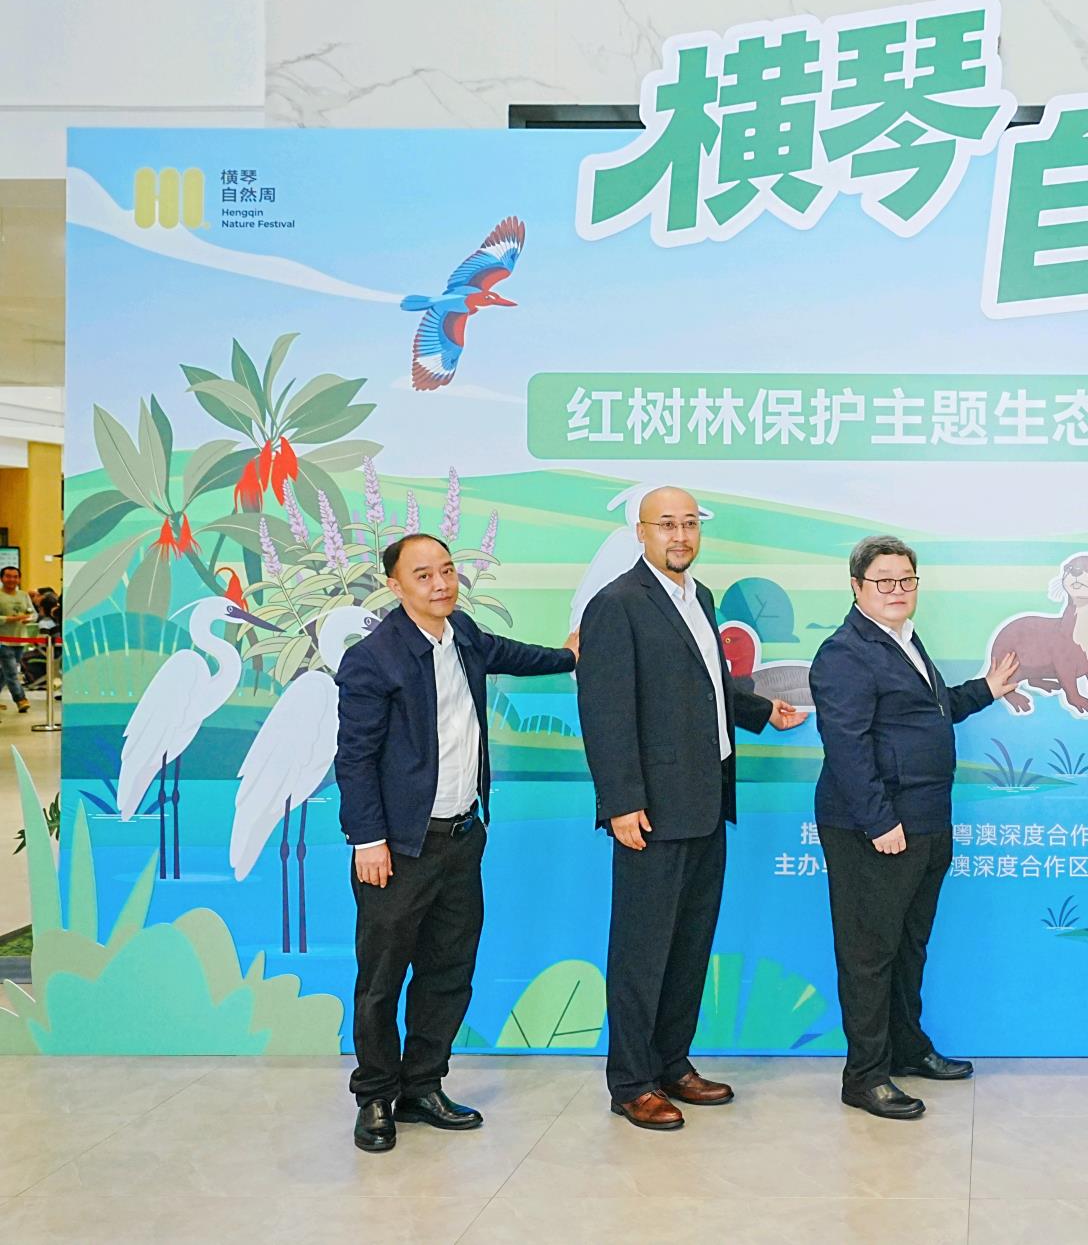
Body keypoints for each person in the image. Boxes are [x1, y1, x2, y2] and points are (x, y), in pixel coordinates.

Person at [334, 533, 579, 1153]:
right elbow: (354, 759)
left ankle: (422, 1085)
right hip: (397, 848)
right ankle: (375, 1096)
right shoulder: (373, 659)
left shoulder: (463, 633)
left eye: (447, 570)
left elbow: (512, 654)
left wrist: (568, 656)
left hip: (462, 837)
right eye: (424, 575)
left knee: (448, 970)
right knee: (382, 978)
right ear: (394, 585)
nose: (441, 584)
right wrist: (368, 840)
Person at [577, 486, 809, 1132]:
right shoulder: (616, 604)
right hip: (651, 811)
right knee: (641, 950)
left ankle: (672, 1062)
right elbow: (604, 710)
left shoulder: (697, 596)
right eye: (666, 524)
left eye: (688, 524)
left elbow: (703, 686)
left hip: (706, 802)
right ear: (640, 531)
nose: (680, 535)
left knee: (687, 945)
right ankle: (632, 1081)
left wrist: (761, 710)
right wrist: (621, 801)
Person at [809, 535, 1019, 1119]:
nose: (897, 590)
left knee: (908, 945)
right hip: (875, 828)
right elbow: (846, 746)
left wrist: (984, 691)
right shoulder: (844, 652)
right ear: (857, 587)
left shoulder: (902, 639)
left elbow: (926, 709)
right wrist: (879, 820)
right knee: (869, 953)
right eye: (884, 581)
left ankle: (906, 1047)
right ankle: (865, 1076)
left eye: (906, 579)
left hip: (925, 820)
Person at [0, 565, 35, 713]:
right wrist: (10, 619)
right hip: (3, 641)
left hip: (20, 640)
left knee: (5, 672)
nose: (12, 580)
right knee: (12, 672)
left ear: (19, 579)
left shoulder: (23, 595)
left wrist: (29, 619)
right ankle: (21, 699)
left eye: (15, 577)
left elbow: (33, 613)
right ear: (2, 578)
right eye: (8, 576)